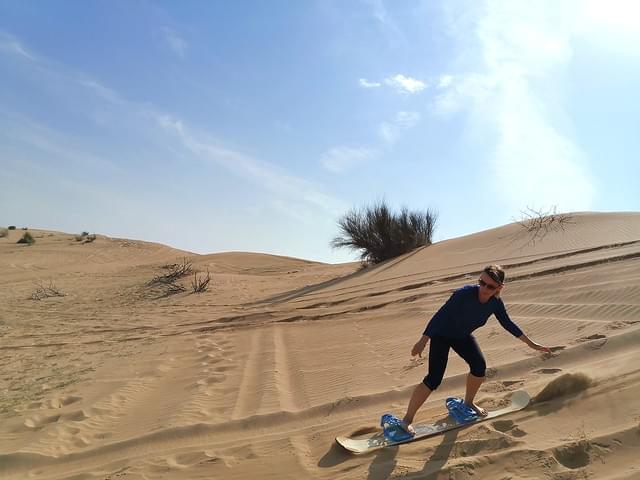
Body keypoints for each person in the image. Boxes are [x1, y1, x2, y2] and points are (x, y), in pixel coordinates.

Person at [400, 265, 551, 435]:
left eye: (490, 286)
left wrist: (531, 344)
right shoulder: (463, 294)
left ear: (499, 288)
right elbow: (440, 315)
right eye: (482, 283)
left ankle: (469, 403)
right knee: (434, 378)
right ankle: (407, 420)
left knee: (479, 367)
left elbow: (507, 323)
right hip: (441, 335)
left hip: (462, 336)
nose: (484, 288)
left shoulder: (495, 304)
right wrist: (423, 340)